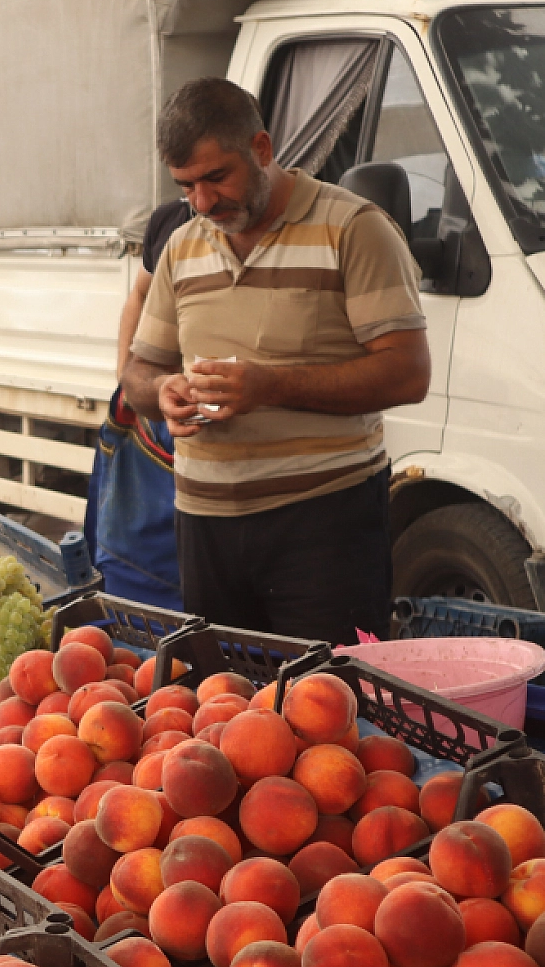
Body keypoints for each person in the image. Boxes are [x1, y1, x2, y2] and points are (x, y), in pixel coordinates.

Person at [121, 78, 430, 646]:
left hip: (322, 524)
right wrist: (162, 390)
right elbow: (137, 374)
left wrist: (271, 386)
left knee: (332, 711)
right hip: (203, 526)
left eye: (217, 177)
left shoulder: (355, 229)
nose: (204, 202)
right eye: (186, 186)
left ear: (262, 149)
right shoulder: (183, 246)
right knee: (222, 712)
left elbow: (408, 373)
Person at [83, 199, 191, 610]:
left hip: (195, 423)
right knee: (125, 570)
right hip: (148, 427)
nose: (200, 197)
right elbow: (140, 295)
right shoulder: (169, 220)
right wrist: (128, 376)